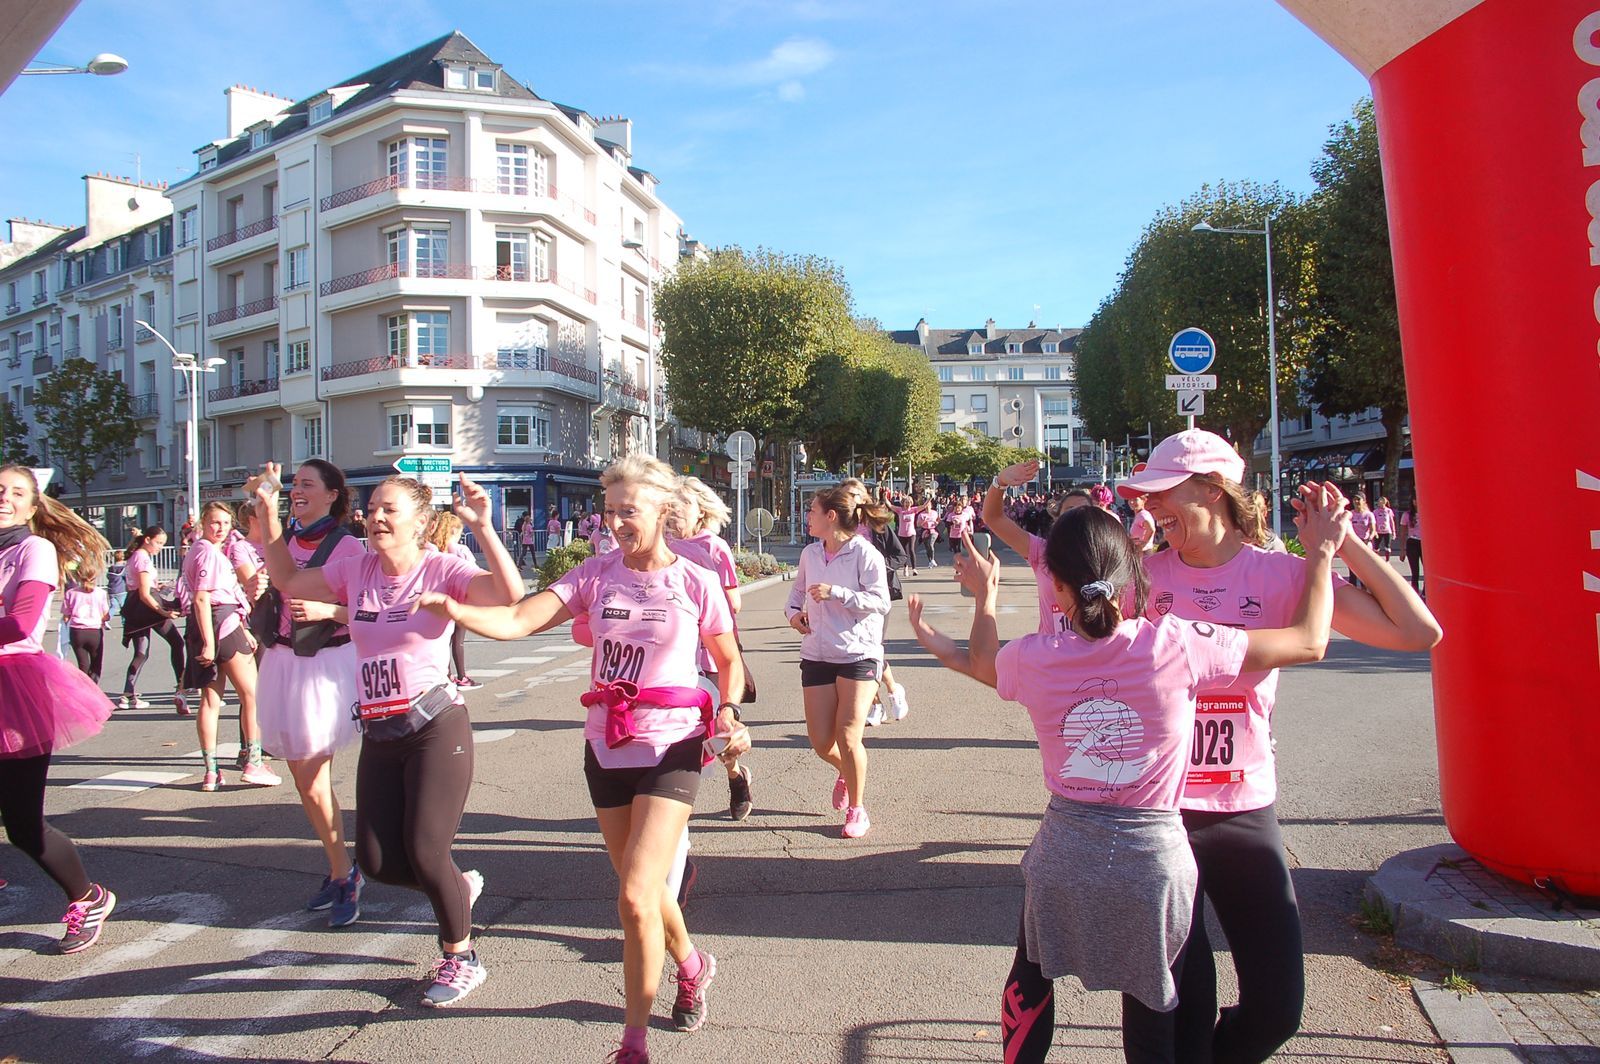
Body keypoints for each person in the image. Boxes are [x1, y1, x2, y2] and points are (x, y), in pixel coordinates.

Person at [909, 494, 1343, 1064]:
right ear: (1131, 575)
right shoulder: (1178, 644)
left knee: (1030, 983)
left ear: (1056, 586)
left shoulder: (1037, 657)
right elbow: (1309, 641)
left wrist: (985, 598)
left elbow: (982, 660)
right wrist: (1321, 554)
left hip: (1063, 851)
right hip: (1154, 861)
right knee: (1156, 1011)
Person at [1115, 429, 1440, 1064]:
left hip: (1241, 810)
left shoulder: (1284, 574)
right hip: (1156, 813)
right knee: (1173, 1008)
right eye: (1146, 497)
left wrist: (1340, 545)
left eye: (1163, 493)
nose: (1150, 507)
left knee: (1276, 1008)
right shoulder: (1143, 579)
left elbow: (1417, 631)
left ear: (1214, 489)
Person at [415, 455, 748, 1062]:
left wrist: (727, 711)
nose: (615, 522)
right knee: (644, 891)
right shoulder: (595, 574)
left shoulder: (695, 581)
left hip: (672, 744)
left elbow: (728, 661)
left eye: (629, 511)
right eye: (609, 510)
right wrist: (459, 610)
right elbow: (520, 618)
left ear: (663, 511)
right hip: (606, 744)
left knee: (635, 898)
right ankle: (692, 963)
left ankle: (633, 1042)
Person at [256, 464, 522, 1005]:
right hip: (379, 728)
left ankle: (461, 957)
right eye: (372, 507)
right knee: (378, 863)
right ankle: (456, 887)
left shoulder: (440, 567)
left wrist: (484, 528)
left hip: (434, 725)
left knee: (427, 850)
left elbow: (507, 594)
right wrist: (267, 513)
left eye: (388, 509)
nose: (374, 516)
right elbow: (286, 581)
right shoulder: (355, 567)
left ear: (419, 522)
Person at [0, 464, 118, 953]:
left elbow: (21, 621)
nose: (4, 497)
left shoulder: (35, 549)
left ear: (32, 506)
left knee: (23, 826)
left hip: (14, 690)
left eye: (16, 492)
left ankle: (88, 897)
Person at [255, 460, 369, 929]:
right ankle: (340, 867)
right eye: (294, 484)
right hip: (282, 660)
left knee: (311, 776)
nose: (297, 491)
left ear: (332, 494)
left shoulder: (345, 545)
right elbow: (259, 551)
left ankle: (345, 873)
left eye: (307, 484)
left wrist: (328, 610)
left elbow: (368, 609)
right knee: (303, 779)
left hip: (323, 666)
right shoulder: (286, 537)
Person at [786, 484, 891, 839]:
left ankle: (857, 809)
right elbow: (796, 594)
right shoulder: (810, 554)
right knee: (820, 742)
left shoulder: (864, 554)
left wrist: (838, 593)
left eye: (812, 511)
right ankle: (846, 770)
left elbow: (881, 602)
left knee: (848, 735)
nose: (807, 517)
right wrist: (793, 614)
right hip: (817, 653)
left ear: (830, 516)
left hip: (858, 654)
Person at [669, 476, 754, 821]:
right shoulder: (661, 546)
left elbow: (734, 602)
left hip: (712, 651)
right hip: (674, 653)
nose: (674, 511)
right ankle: (669, 808)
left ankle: (736, 777)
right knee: (679, 734)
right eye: (669, 504)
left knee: (719, 732)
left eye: (682, 504)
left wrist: (698, 598)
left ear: (700, 511)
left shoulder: (713, 547)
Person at [180, 502, 279, 791]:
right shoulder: (209, 552)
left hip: (212, 623)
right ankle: (254, 762)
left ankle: (211, 771)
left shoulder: (200, 550)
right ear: (203, 522)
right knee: (253, 694)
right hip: (220, 622)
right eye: (215, 522)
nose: (221, 528)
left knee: (211, 700)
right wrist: (211, 643)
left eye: (225, 523)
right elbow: (202, 598)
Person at [982, 459, 1070, 636]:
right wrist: (1000, 482)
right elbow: (993, 518)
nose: (1077, 516)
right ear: (1058, 518)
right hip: (1050, 650)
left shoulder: (1110, 553)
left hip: (1100, 653)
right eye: (1070, 510)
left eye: (1085, 510)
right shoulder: (1043, 552)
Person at [119, 527, 188, 715]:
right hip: (146, 607)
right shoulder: (142, 558)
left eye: (162, 544)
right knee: (176, 642)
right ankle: (181, 686)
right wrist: (163, 612)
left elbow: (141, 587)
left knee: (141, 652)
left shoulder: (136, 556)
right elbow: (144, 593)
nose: (160, 547)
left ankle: (128, 694)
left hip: (137, 606)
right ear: (147, 540)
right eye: (158, 543)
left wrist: (158, 587)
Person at [429, 511, 481, 690]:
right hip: (459, 600)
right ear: (454, 531)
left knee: (444, 640)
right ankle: (462, 677)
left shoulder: (435, 549)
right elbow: (475, 572)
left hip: (440, 598)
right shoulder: (461, 550)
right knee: (458, 640)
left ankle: (446, 675)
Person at [62, 569, 109, 685]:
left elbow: (66, 616)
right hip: (94, 631)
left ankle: (84, 687)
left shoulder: (71, 593)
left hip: (77, 631)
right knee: (96, 664)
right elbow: (106, 616)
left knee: (83, 665)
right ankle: (93, 687)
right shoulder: (101, 593)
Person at [890, 492, 924, 575]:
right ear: (903, 503)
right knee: (904, 552)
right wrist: (885, 498)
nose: (907, 504)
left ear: (911, 503)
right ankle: (905, 567)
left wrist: (929, 499)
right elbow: (890, 506)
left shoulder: (913, 510)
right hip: (902, 534)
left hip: (911, 533)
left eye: (909, 502)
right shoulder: (900, 510)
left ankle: (914, 569)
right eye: (906, 502)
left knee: (911, 550)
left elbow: (923, 506)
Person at [1347, 495, 1377, 588]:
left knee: (1364, 570)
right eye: (1354, 499)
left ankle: (1365, 589)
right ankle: (1353, 589)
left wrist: (1368, 539)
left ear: (1363, 501)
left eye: (1358, 499)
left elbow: (1373, 530)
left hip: (1365, 543)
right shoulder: (1350, 514)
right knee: (1352, 569)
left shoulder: (1369, 515)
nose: (1356, 501)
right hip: (1353, 543)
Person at [1400, 501, 1423, 592]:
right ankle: (1415, 592)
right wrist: (1402, 550)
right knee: (1415, 572)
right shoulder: (1407, 515)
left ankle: (1425, 593)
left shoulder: (1426, 513)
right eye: (1415, 499)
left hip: (1424, 544)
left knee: (1427, 572)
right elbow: (1402, 533)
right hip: (1412, 542)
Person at [1373, 496, 1398, 563]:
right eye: (1379, 501)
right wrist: (1374, 531)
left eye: (1381, 501)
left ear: (1385, 502)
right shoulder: (1375, 511)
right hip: (1378, 531)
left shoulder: (1388, 511)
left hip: (1387, 531)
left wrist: (1393, 532)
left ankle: (1387, 560)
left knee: (1387, 546)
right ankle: (1377, 560)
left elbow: (1391, 522)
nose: (1379, 502)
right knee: (1376, 546)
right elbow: (1374, 522)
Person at [105, 549, 127, 617]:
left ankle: (106, 619)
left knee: (113, 607)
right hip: (121, 590)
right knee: (124, 608)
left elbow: (108, 577)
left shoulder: (110, 568)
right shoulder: (123, 568)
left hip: (111, 591)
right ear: (123, 557)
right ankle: (125, 622)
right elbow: (127, 577)